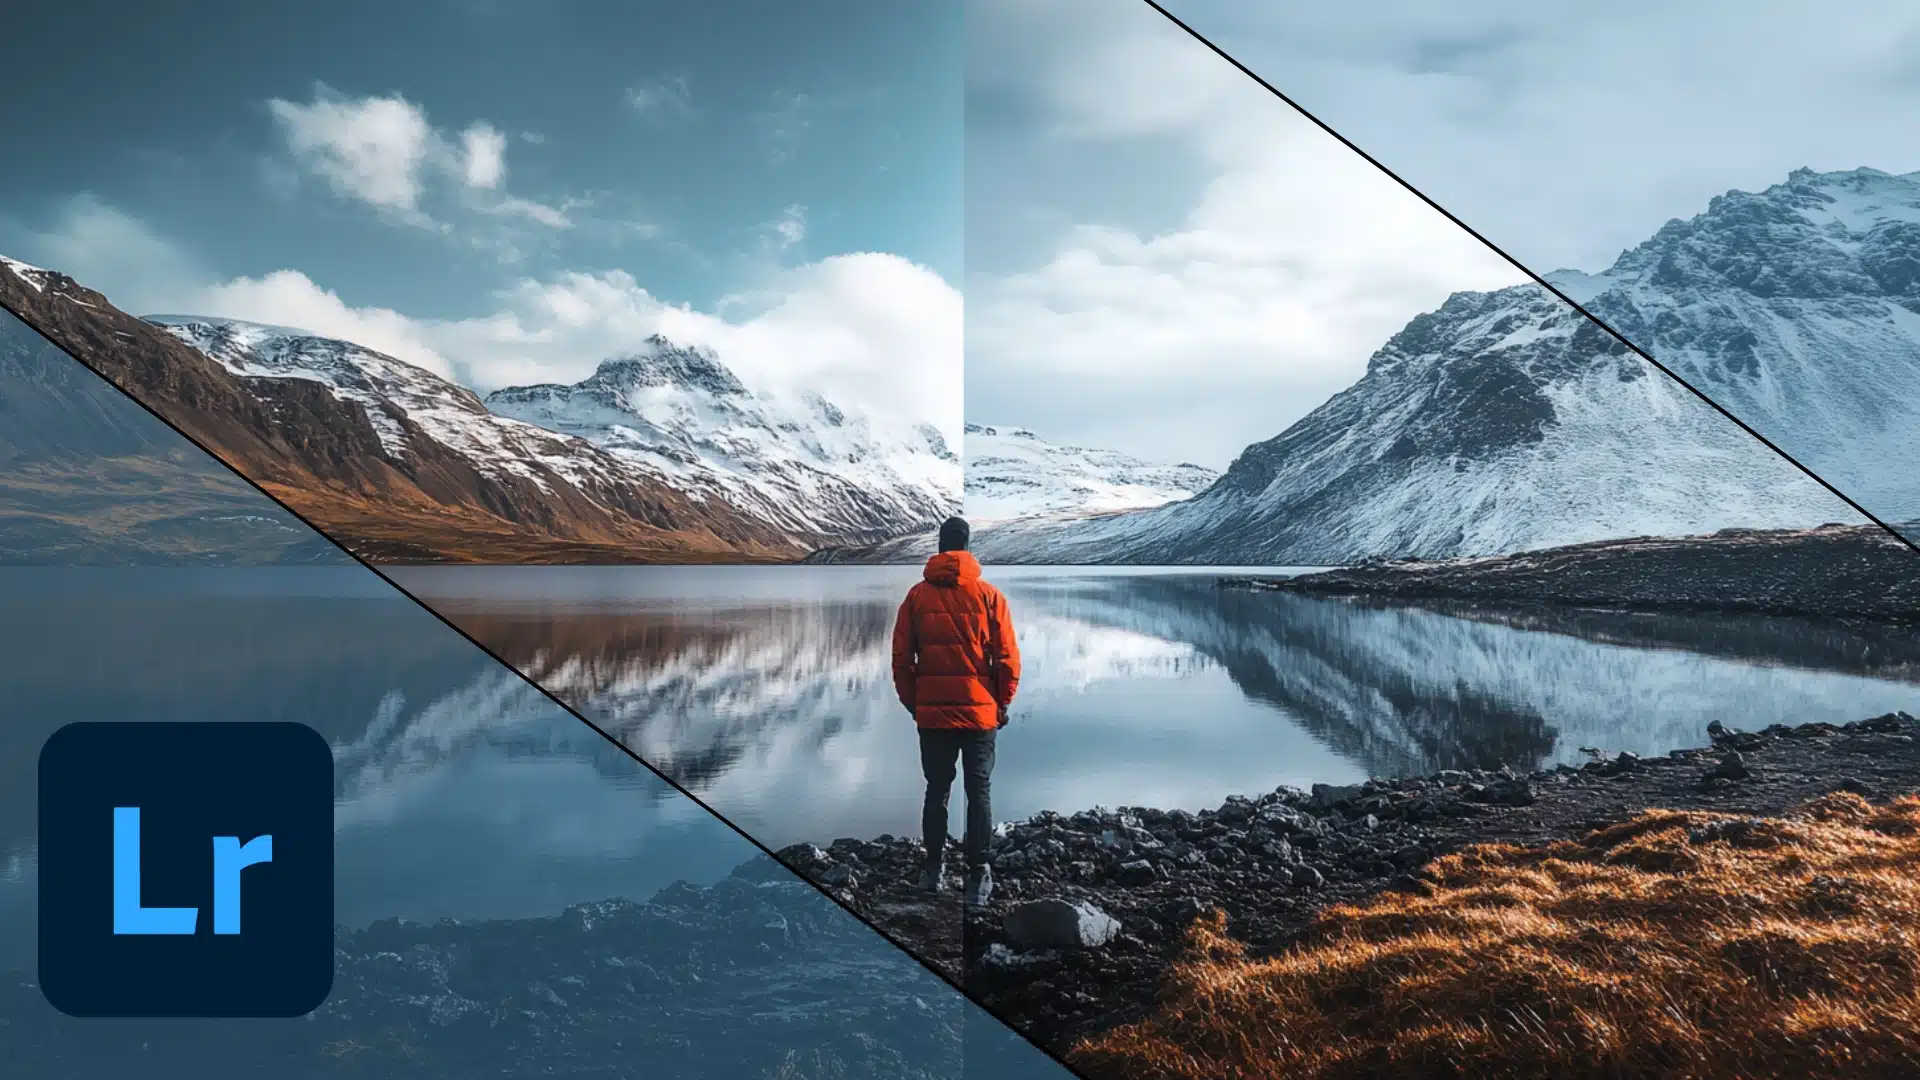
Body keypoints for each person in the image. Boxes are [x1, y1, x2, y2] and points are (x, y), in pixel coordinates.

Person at [890, 515, 1020, 909]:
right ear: (967, 546)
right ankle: (979, 874)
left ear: (940, 546)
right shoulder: (990, 596)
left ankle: (933, 870)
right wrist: (1002, 702)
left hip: (933, 716)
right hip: (981, 714)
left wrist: (916, 702)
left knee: (937, 789)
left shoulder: (916, 597)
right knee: (978, 791)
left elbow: (901, 659)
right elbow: (1008, 659)